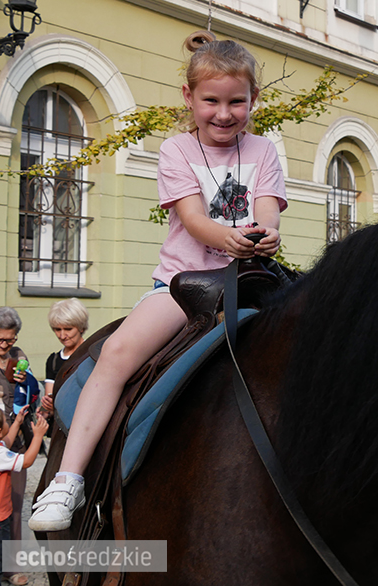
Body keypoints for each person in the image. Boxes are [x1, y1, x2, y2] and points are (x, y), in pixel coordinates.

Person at [29, 29, 287, 532]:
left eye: (237, 102)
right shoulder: (176, 150)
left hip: (252, 278)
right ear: (189, 98)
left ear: (253, 99)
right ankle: (68, 478)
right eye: (211, 101)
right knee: (118, 356)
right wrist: (229, 238)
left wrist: (266, 236)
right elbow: (193, 220)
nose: (224, 113)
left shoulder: (264, 151)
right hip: (185, 285)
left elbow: (267, 212)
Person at [0, 307, 34, 586]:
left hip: (13, 442)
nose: (4, 345)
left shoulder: (20, 356)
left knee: (13, 506)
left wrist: (24, 382)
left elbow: (30, 393)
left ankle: (10, 567)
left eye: (10, 340)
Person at [0, 405, 47, 586]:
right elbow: (26, 461)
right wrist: (38, 436)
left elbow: (7, 441)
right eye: (6, 422)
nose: (8, 423)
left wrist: (17, 422)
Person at [40, 299, 89, 416]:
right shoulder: (54, 360)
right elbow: (50, 398)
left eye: (68, 329)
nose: (62, 336)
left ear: (81, 327)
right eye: (57, 329)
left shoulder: (92, 355)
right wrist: (46, 409)